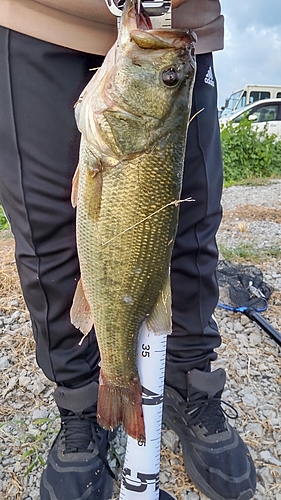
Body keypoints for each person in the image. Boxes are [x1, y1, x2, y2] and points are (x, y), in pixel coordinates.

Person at [0, 1, 256, 500]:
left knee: (193, 220)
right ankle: (80, 402)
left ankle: (189, 383)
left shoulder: (166, 58)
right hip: (38, 15)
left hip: (176, 22)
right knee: (45, 228)